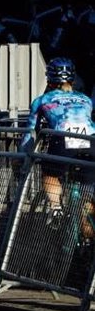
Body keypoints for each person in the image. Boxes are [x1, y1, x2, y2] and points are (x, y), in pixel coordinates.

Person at [21, 57, 95, 237]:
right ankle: (86, 244)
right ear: (72, 78)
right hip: (91, 140)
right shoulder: (85, 99)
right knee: (87, 194)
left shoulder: (43, 100)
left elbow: (30, 133)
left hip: (63, 140)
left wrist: (24, 156)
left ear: (49, 79)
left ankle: (56, 209)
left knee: (50, 173)